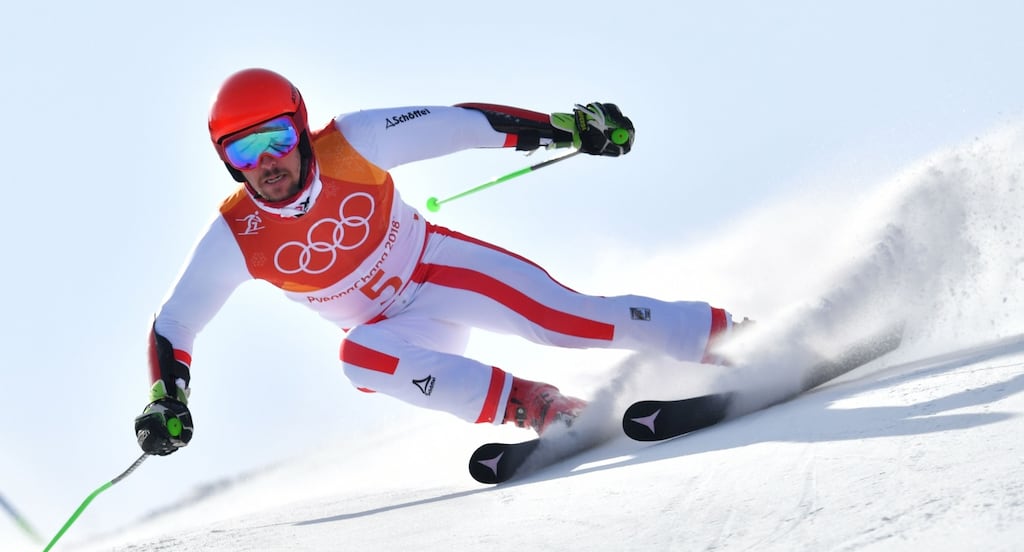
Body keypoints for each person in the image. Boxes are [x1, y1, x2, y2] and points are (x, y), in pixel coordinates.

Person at [134, 68, 741, 457]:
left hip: (439, 270)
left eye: (279, 140)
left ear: (301, 129)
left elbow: (463, 126)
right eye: (245, 151)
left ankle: (730, 340)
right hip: (401, 331)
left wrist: (568, 129)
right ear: (229, 162)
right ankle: (537, 406)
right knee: (357, 358)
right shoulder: (236, 234)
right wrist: (168, 398)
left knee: (564, 321)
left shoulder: (353, 142)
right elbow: (175, 324)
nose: (268, 162)